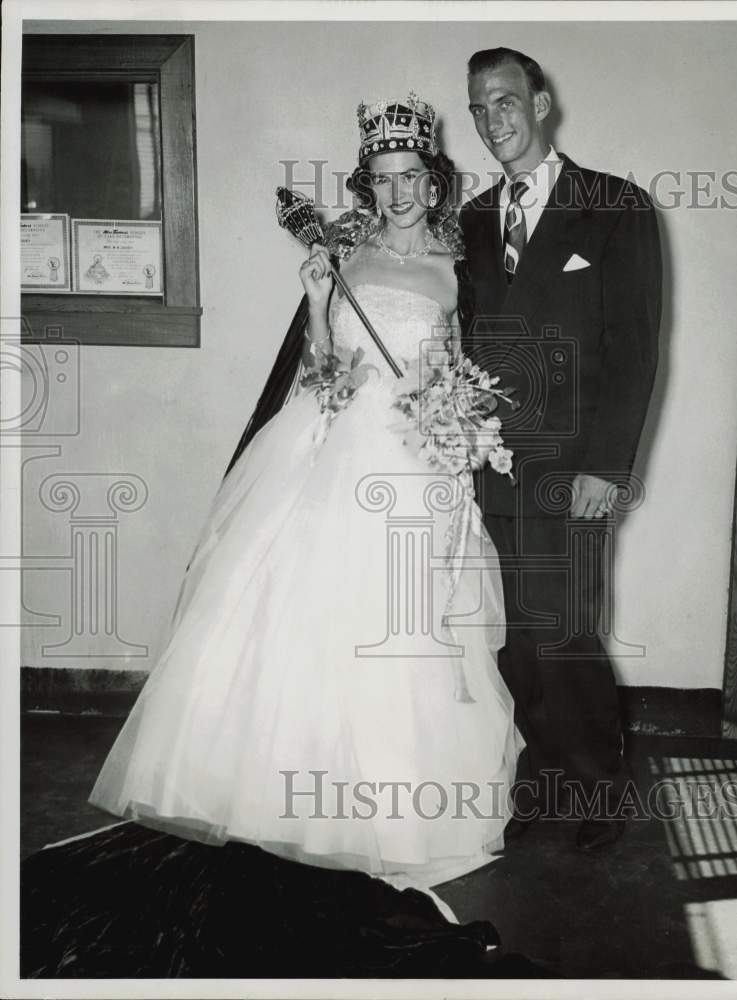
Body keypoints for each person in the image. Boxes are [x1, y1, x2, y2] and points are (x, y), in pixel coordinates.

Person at [88, 94, 523, 891]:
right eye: (381, 179)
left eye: (410, 177)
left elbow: (465, 371)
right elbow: (321, 373)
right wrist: (320, 299)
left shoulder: (455, 274)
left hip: (412, 461)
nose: (396, 193)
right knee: (295, 604)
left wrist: (452, 418)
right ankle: (270, 799)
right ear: (368, 185)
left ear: (433, 184)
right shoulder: (342, 260)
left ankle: (398, 809)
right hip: (333, 449)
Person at [460, 48, 662, 851]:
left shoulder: (613, 206)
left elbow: (635, 348)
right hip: (493, 467)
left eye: (505, 101)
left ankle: (599, 790)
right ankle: (541, 776)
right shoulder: (474, 217)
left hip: (572, 467)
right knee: (513, 634)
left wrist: (605, 469)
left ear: (542, 104)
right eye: (477, 108)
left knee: (567, 631)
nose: (491, 120)